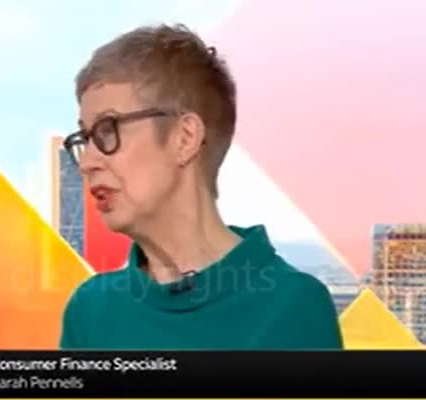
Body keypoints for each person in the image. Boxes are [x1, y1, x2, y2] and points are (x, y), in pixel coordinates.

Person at [59, 24, 343, 350]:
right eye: (85, 138)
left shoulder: (294, 309)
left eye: (107, 130)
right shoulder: (90, 311)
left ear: (185, 138)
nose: (86, 162)